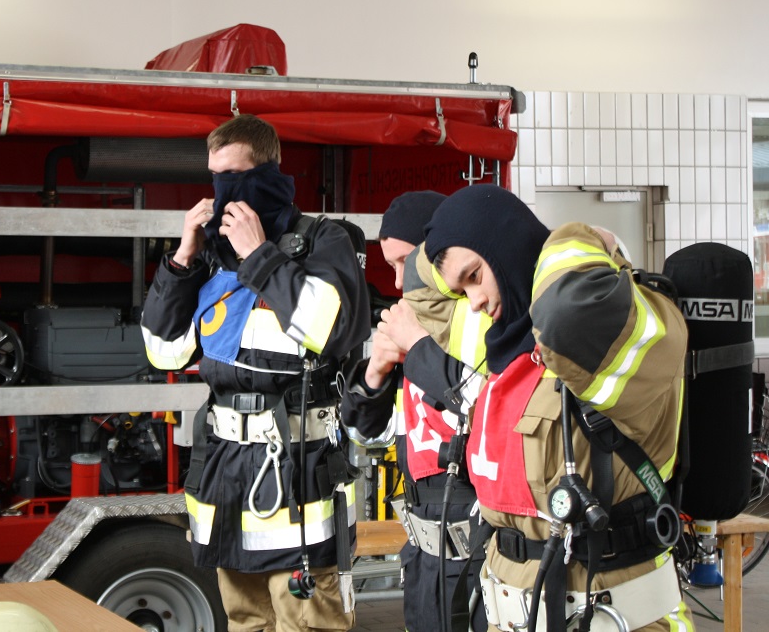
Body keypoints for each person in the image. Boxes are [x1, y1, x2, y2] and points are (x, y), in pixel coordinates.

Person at [402, 184, 691, 632]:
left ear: (506, 245)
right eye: (462, 289)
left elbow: (565, 315)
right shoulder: (504, 341)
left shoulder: (612, 331)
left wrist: (575, 236)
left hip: (614, 617)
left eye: (475, 275)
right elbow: (418, 287)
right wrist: (452, 230)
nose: (473, 301)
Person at [141, 114, 370, 632]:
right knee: (244, 622)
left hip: (298, 476)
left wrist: (259, 256)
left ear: (268, 174)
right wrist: (182, 259)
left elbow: (331, 329)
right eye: (215, 178)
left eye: (235, 178)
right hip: (224, 476)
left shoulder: (322, 241)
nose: (223, 193)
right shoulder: (210, 259)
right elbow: (164, 351)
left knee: (308, 625)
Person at [340, 190, 490, 632]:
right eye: (391, 267)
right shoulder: (406, 320)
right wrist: (374, 375)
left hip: (481, 553)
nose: (399, 282)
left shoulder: (481, 315)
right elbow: (369, 435)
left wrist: (419, 349)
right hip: (423, 556)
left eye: (407, 262)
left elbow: (489, 410)